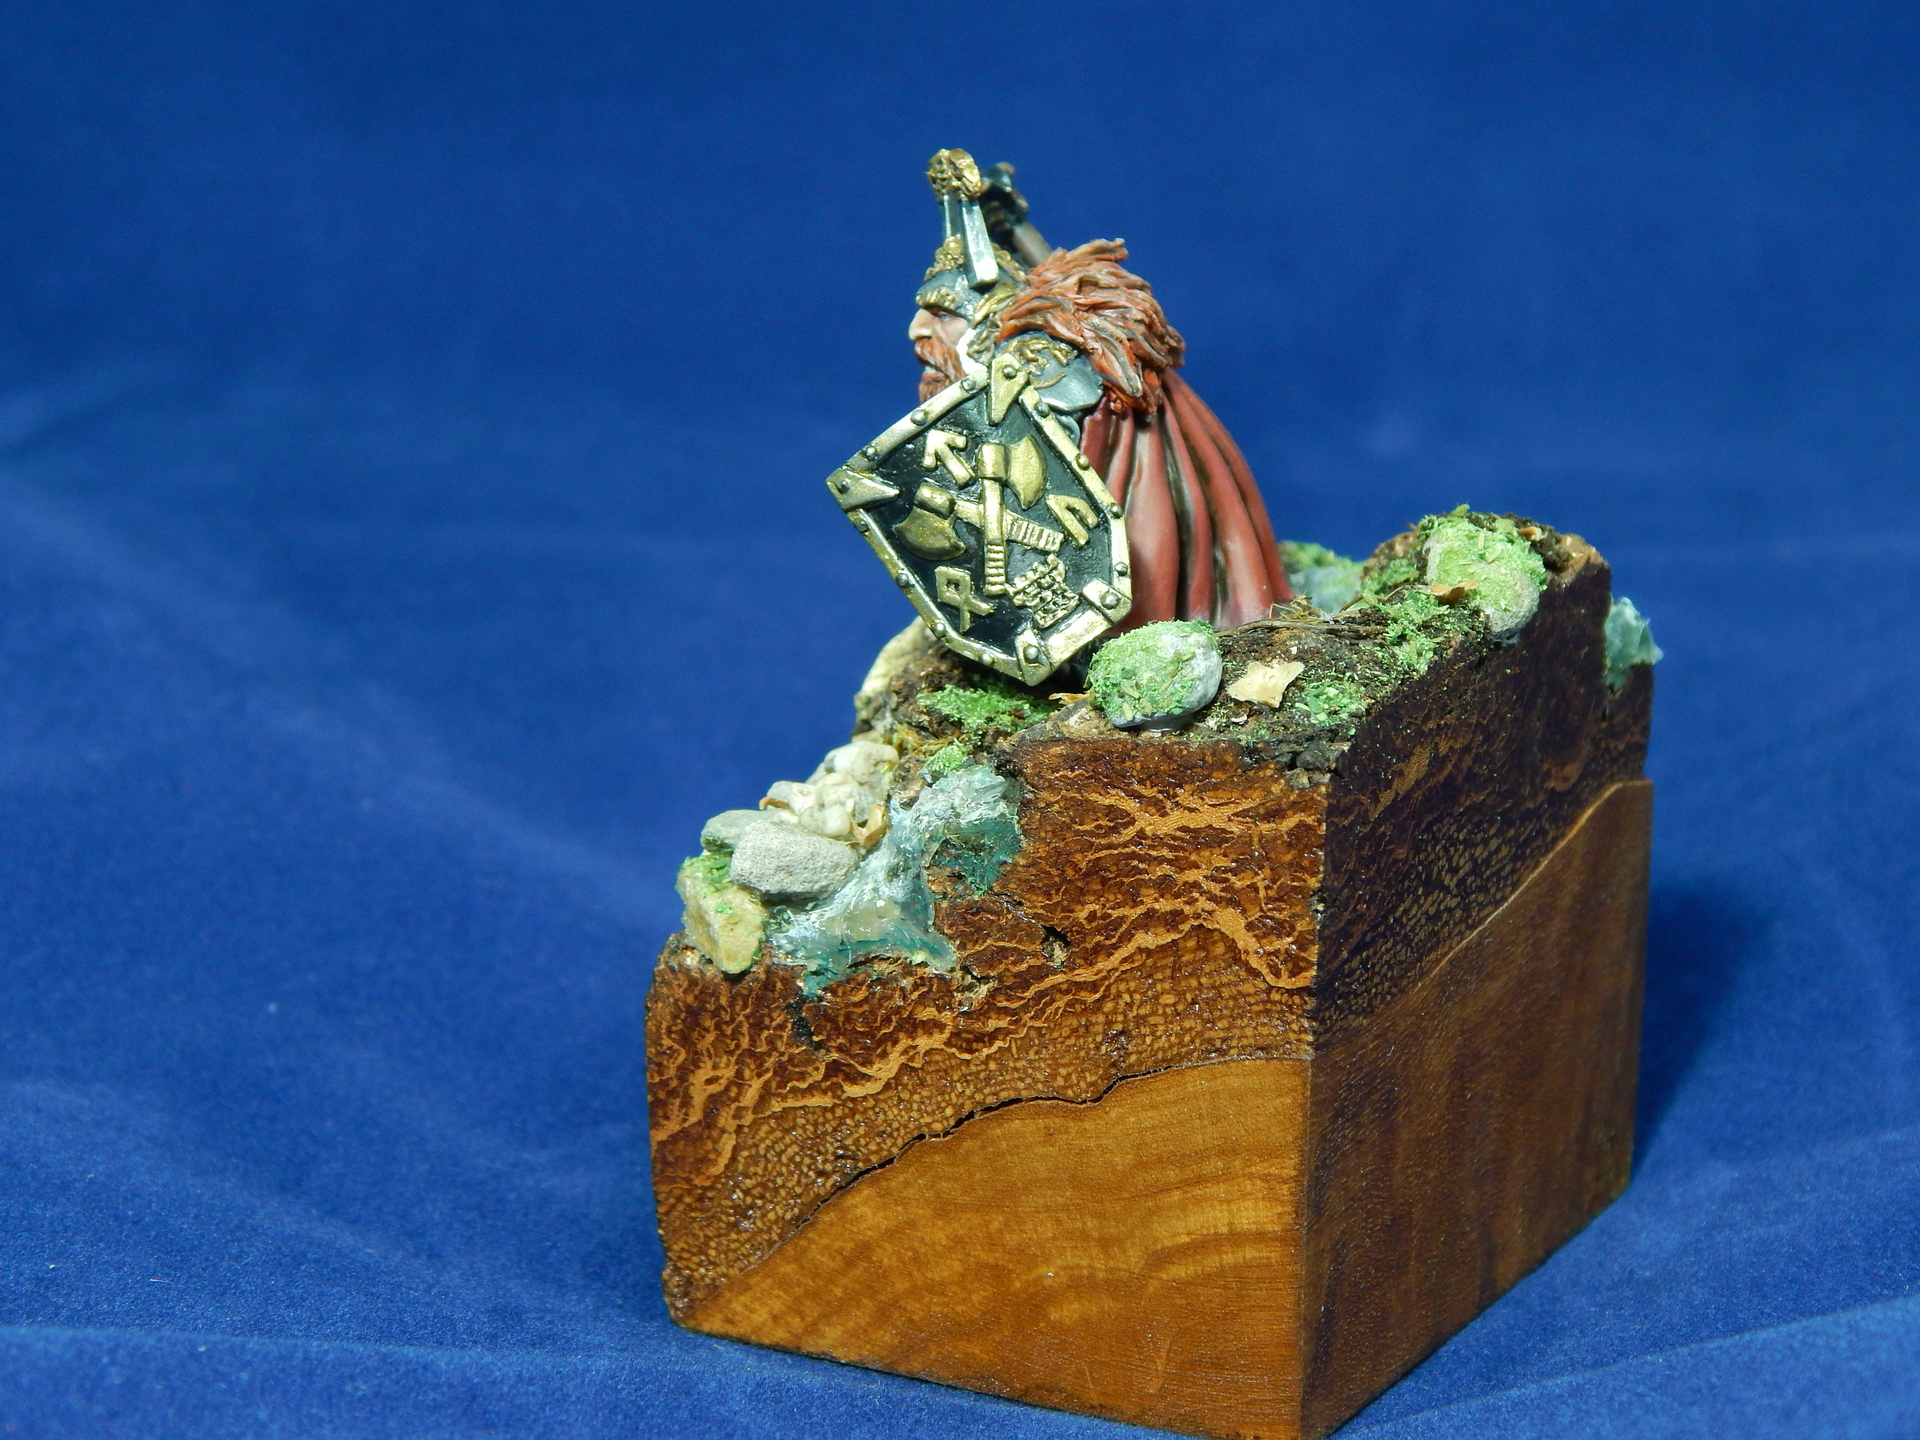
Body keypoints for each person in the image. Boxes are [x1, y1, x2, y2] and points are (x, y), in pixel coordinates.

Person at [908, 155, 1291, 630]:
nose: (917, 330)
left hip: (1130, 511)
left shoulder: (1041, 360)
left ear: (987, 320)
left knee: (1153, 575)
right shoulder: (1008, 353)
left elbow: (1052, 461)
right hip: (1085, 521)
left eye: (944, 315)